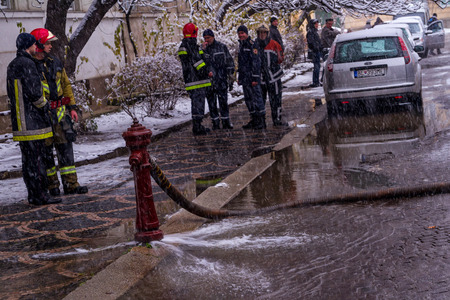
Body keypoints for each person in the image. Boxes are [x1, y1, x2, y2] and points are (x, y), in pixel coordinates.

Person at [30, 28, 88, 196]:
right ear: (39, 44)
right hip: (43, 116)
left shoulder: (55, 62)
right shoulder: (30, 66)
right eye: (47, 42)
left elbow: (66, 85)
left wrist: (72, 107)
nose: (50, 46)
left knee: (65, 150)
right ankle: (52, 186)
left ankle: (71, 185)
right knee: (46, 153)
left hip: (61, 114)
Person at [6, 33, 61, 205]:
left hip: (20, 122)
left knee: (28, 161)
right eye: (33, 45)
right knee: (37, 161)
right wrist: (45, 107)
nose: (35, 47)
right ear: (28, 46)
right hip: (33, 122)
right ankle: (40, 195)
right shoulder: (27, 64)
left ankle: (33, 194)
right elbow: (35, 93)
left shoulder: (12, 64)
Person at [178, 23, 212, 135]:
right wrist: (206, 72)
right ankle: (197, 127)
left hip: (191, 80)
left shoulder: (186, 45)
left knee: (197, 103)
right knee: (198, 104)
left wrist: (202, 49)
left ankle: (198, 125)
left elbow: (197, 56)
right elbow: (197, 61)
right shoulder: (190, 45)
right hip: (197, 80)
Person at [202, 29, 235, 130]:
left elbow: (229, 61)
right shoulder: (203, 49)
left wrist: (230, 74)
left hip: (221, 79)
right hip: (209, 81)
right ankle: (215, 122)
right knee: (211, 103)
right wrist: (203, 51)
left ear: (213, 37)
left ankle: (226, 121)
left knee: (223, 102)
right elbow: (201, 63)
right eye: (205, 38)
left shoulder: (221, 47)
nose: (207, 40)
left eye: (208, 38)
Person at [255, 25, 286, 126]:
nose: (262, 35)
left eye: (264, 33)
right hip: (261, 78)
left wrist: (274, 62)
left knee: (276, 99)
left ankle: (276, 119)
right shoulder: (255, 45)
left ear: (267, 34)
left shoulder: (274, 44)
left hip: (274, 77)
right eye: (260, 33)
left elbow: (281, 58)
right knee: (260, 100)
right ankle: (261, 121)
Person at [237, 25, 266, 129]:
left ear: (246, 33)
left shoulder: (252, 45)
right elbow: (241, 64)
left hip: (252, 77)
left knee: (257, 99)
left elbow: (256, 62)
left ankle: (261, 120)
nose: (241, 35)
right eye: (239, 33)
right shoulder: (241, 46)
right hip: (245, 78)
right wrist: (240, 77)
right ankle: (254, 119)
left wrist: (255, 78)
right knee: (248, 100)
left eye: (242, 33)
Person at [306, 19, 322, 88]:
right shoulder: (311, 32)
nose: (317, 25)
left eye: (317, 23)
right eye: (315, 23)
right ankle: (315, 82)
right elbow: (312, 43)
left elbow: (318, 42)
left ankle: (316, 81)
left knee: (317, 66)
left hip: (316, 51)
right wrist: (317, 48)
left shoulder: (315, 32)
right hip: (314, 52)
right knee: (316, 67)